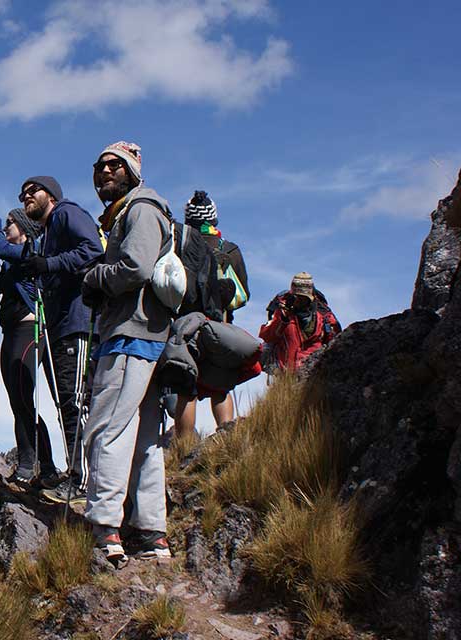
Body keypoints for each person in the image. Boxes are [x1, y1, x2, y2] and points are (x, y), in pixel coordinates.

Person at [79, 141, 174, 564]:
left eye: (115, 165)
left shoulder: (140, 209)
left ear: (134, 171)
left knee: (107, 428)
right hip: (150, 336)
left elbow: (135, 266)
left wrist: (95, 276)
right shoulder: (137, 211)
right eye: (99, 166)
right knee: (145, 439)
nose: (104, 172)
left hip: (129, 334)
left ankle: (104, 528)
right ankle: (152, 534)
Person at [7, 176, 103, 506]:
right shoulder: (47, 233)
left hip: (76, 323)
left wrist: (48, 264)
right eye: (23, 194)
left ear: (51, 194)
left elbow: (93, 250)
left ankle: (83, 480)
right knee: (68, 402)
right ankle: (80, 474)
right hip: (62, 327)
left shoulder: (65, 214)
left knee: (75, 402)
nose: (26, 197)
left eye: (33, 191)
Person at [0, 208, 71, 487]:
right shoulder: (10, 265)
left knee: (22, 396)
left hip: (30, 330)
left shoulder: (31, 252)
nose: (5, 227)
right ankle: (45, 466)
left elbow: (4, 249)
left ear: (25, 228)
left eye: (10, 223)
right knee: (19, 402)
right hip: (12, 332)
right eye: (4, 224)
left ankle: (33, 464)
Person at [173, 190, 251, 438]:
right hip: (220, 326)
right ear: (214, 219)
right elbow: (243, 295)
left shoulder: (179, 246)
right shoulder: (229, 250)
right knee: (221, 386)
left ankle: (183, 449)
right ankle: (226, 436)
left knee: (187, 389)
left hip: (186, 325)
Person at [259, 272, 341, 373]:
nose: (299, 301)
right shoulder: (281, 311)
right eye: (296, 297)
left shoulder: (324, 315)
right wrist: (283, 319)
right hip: (284, 371)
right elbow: (267, 337)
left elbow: (334, 342)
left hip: (312, 372)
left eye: (303, 298)